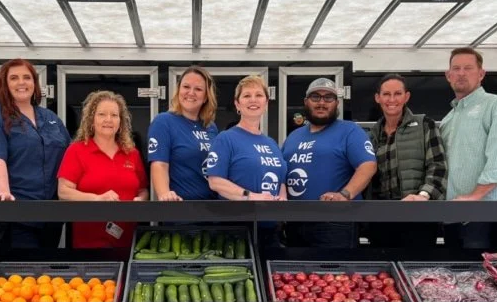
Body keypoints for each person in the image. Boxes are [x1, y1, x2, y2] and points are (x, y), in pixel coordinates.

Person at [0, 59, 70, 248]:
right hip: (13, 212)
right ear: (4, 83)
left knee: (45, 274)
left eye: (27, 77)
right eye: (14, 78)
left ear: (34, 82)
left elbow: (70, 157)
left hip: (48, 214)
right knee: (18, 275)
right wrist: (4, 193)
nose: (21, 82)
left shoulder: (49, 117)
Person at [280, 78, 376, 249]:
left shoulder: (350, 130)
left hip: (334, 223)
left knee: (334, 276)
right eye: (315, 97)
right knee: (296, 275)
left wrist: (345, 194)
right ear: (306, 102)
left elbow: (368, 165)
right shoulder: (294, 136)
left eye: (328, 98)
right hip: (295, 222)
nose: (322, 103)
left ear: (337, 103)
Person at [439, 47, 497, 249]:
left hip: (487, 215)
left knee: (485, 278)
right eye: (456, 68)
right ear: (448, 76)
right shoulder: (449, 118)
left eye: (468, 68)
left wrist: (474, 196)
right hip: (454, 216)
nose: (461, 73)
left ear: (481, 74)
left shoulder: (496, 106)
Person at [57, 91, 149, 250]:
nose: (108, 120)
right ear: (91, 120)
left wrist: (140, 201)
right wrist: (96, 198)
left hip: (129, 242)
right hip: (88, 243)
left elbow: (143, 190)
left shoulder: (132, 153)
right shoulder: (76, 151)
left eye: (114, 115)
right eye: (102, 114)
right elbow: (63, 192)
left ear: (121, 121)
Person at [205, 75, 287, 250]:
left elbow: (280, 180)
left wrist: (282, 197)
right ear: (237, 104)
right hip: (235, 229)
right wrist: (251, 196)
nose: (253, 100)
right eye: (247, 95)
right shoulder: (225, 139)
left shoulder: (271, 143)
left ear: (266, 104)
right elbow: (215, 182)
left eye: (259, 95)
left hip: (269, 228)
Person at [368, 73, 447, 248]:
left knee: (416, 270)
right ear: (378, 98)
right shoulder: (372, 133)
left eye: (397, 94)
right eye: (386, 94)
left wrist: (423, 196)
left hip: (417, 215)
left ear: (406, 96)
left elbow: (438, 166)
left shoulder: (425, 124)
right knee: (383, 271)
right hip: (381, 217)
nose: (392, 99)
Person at [147, 66, 220, 201]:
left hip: (212, 209)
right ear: (179, 90)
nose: (191, 93)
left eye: (198, 89)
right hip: (181, 210)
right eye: (186, 87)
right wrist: (164, 194)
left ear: (205, 97)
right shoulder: (163, 122)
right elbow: (159, 164)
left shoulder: (211, 127)